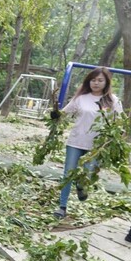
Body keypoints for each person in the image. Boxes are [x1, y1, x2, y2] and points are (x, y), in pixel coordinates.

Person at [51, 67, 123, 220]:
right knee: (68, 174)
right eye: (93, 80)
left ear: (106, 82)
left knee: (87, 175)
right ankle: (62, 207)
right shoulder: (81, 98)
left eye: (100, 80)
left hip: (97, 146)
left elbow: (120, 123)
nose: (96, 83)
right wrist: (55, 114)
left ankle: (81, 187)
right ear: (88, 81)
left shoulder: (112, 101)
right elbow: (64, 114)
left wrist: (115, 139)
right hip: (76, 142)